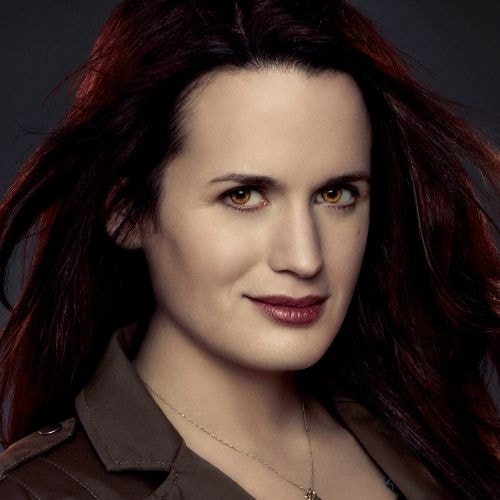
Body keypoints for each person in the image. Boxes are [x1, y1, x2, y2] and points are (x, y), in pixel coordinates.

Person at [0, 0, 498, 498]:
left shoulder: (436, 444)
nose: (305, 258)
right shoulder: (40, 492)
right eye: (243, 196)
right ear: (129, 213)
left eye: (335, 194)